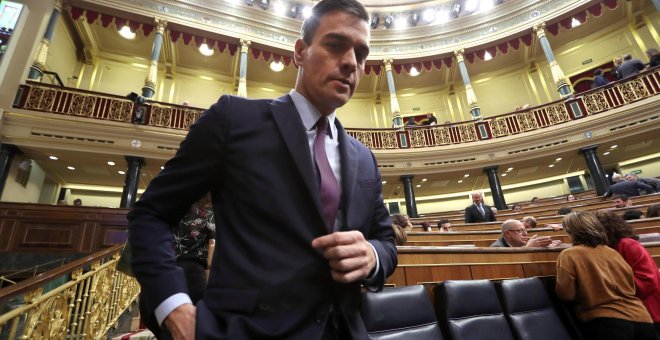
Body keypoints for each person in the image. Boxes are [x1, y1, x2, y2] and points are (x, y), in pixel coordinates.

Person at [127, 1, 398, 339]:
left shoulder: (365, 158)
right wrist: (174, 307)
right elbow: (150, 215)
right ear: (300, 51)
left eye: (360, 54)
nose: (349, 63)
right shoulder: (232, 120)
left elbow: (386, 241)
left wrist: (371, 256)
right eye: (335, 45)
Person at [556, 211, 657, 340]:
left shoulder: (569, 255)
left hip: (606, 322)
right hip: (642, 318)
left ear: (571, 231)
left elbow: (566, 294)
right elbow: (631, 286)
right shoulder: (612, 252)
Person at [597, 211, 660, 333]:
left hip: (649, 303)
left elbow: (647, 279)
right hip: (633, 306)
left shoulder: (628, 244)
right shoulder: (609, 247)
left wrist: (617, 289)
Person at [490, 220, 555, 248]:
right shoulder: (497, 248)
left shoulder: (515, 244)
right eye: (520, 231)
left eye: (525, 230)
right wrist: (528, 249)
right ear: (507, 234)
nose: (525, 233)